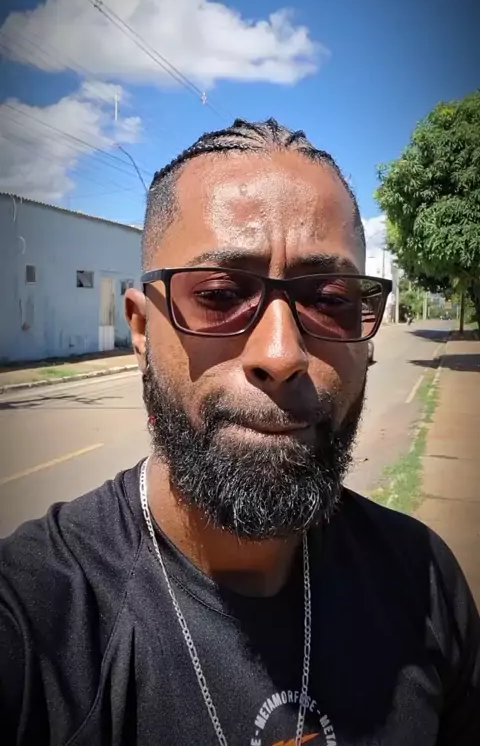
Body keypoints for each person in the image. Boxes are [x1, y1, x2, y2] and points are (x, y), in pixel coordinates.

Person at [1, 118, 479, 746]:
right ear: (140, 330)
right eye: (221, 295)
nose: (280, 354)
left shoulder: (425, 583)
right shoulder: (35, 621)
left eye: (330, 299)